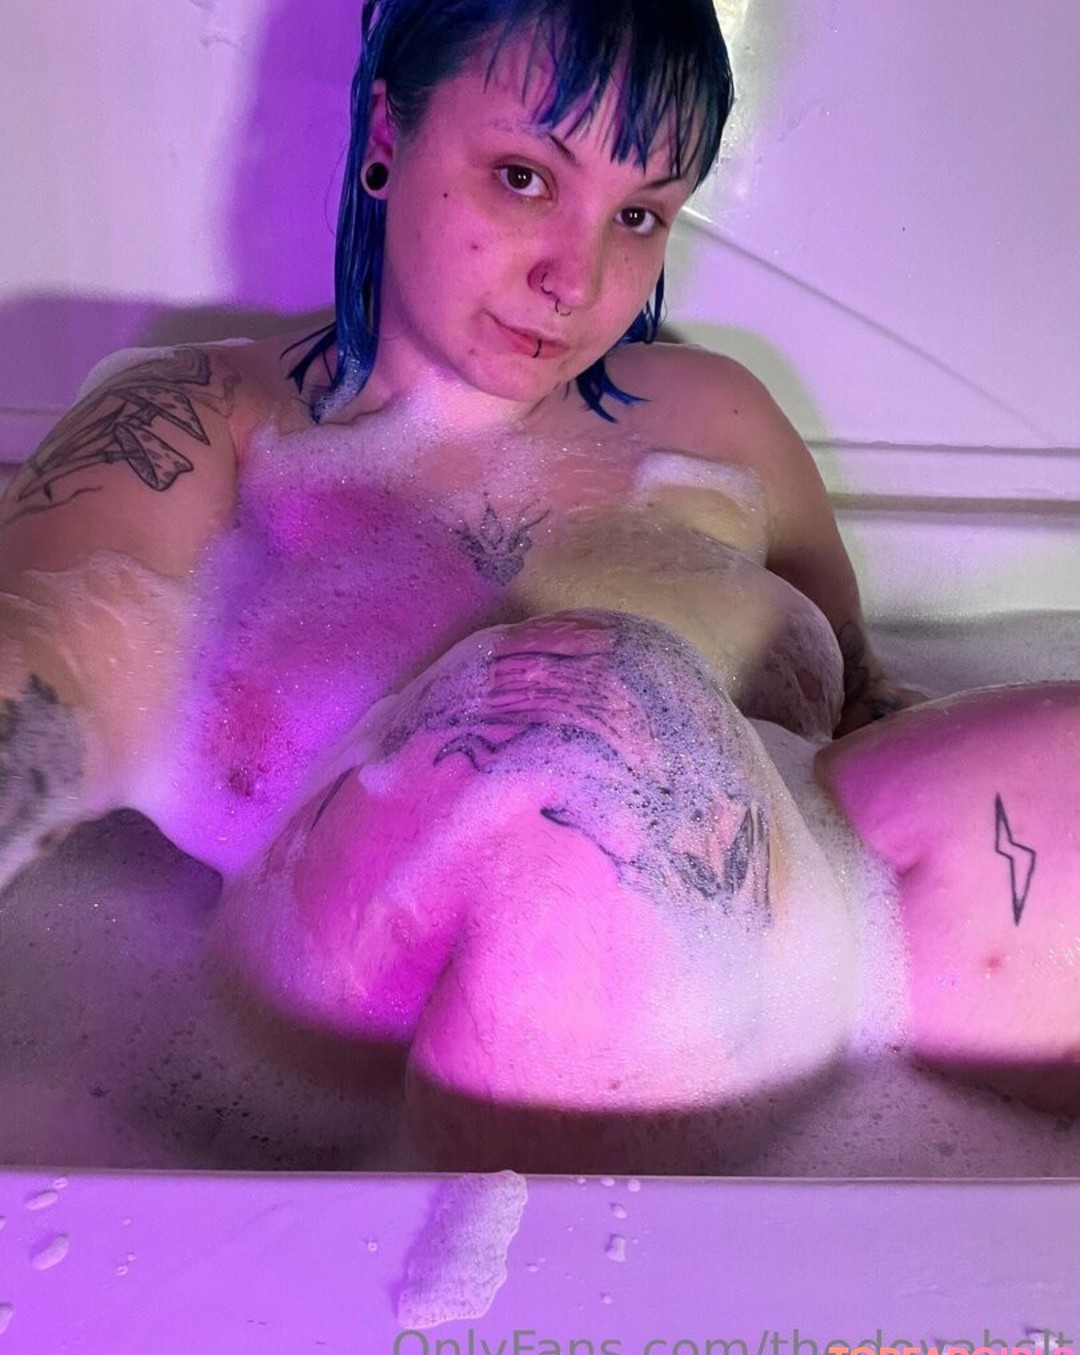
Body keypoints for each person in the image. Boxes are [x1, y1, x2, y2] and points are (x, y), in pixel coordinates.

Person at [0, 0, 1071, 1172]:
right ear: (385, 132)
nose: (578, 278)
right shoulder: (205, 421)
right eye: (523, 178)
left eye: (638, 215)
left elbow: (866, 702)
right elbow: (45, 665)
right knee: (584, 719)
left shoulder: (720, 416)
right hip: (368, 1017)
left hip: (800, 971)